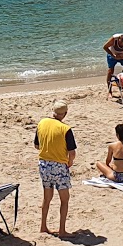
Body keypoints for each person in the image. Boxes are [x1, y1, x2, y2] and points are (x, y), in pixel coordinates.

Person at [35, 100, 75, 237]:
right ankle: (62, 230)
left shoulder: (42, 123)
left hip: (44, 165)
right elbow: (72, 152)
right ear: (65, 114)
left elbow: (36, 145)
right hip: (59, 166)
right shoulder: (65, 129)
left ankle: (43, 226)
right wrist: (70, 162)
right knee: (64, 199)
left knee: (47, 197)